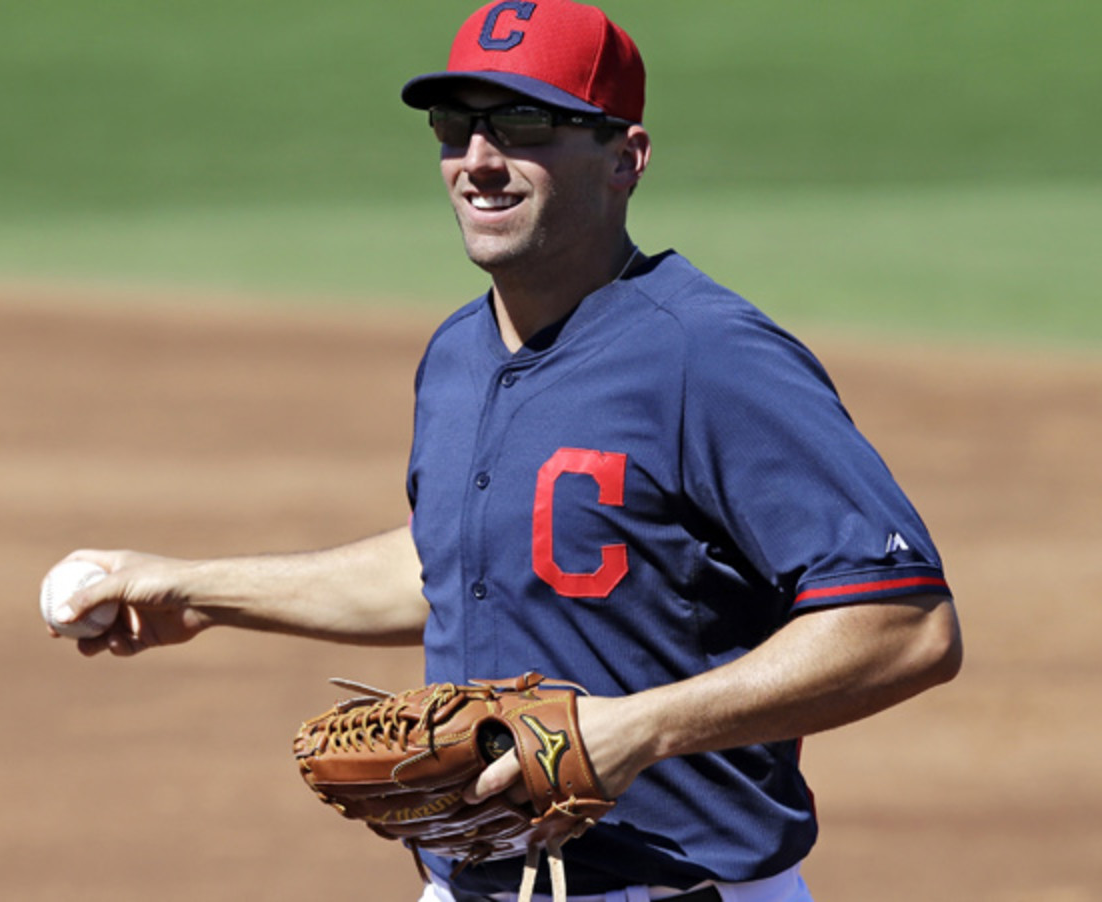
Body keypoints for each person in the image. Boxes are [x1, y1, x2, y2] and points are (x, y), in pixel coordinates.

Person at [50, 2, 963, 900]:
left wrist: (637, 730)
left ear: (626, 159)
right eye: (458, 125)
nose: (480, 161)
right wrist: (193, 590)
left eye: (526, 123)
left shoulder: (708, 357)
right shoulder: (457, 354)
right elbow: (449, 562)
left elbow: (907, 626)